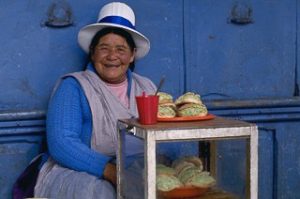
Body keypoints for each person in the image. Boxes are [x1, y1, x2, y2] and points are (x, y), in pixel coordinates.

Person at [33, 2, 157, 198]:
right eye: (104, 48)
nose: (112, 56)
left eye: (121, 49)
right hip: (75, 171)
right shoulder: (73, 86)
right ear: (92, 52)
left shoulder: (147, 88)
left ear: (133, 55)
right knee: (102, 193)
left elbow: (165, 135)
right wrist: (111, 172)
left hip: (131, 169)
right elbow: (62, 144)